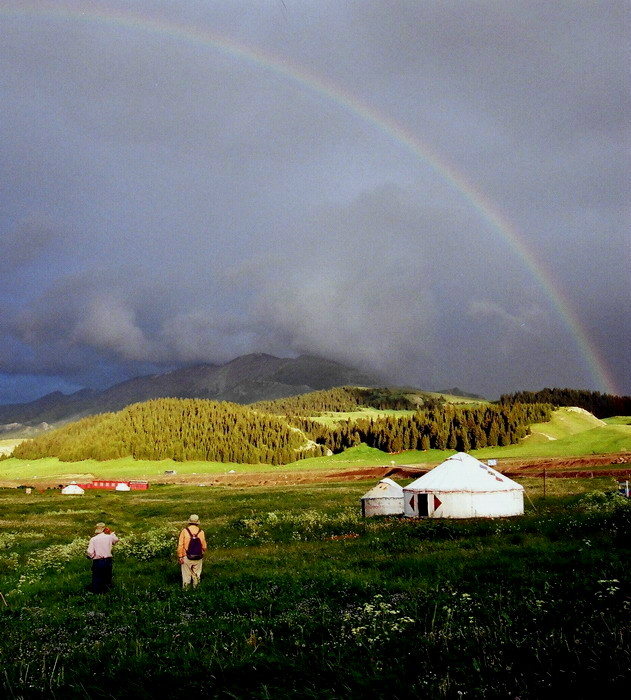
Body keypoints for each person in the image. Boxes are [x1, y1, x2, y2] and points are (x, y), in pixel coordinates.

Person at [86, 521, 119, 593]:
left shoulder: (93, 539)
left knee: (97, 577)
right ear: (104, 529)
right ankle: (107, 592)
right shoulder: (109, 537)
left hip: (98, 561)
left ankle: (97, 592)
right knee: (107, 576)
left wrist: (90, 556)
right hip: (108, 560)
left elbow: (90, 552)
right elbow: (116, 540)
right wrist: (110, 532)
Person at [177, 514, 207, 588]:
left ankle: (186, 591)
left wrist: (180, 556)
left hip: (186, 556)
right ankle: (196, 590)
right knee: (196, 575)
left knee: (186, 576)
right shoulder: (201, 532)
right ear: (197, 522)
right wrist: (201, 552)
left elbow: (180, 545)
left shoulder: (184, 531)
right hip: (198, 556)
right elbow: (204, 546)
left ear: (189, 521)